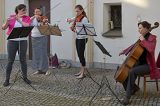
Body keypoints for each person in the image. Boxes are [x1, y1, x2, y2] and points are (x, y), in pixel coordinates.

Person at [119, 21, 160, 105]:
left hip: (148, 65)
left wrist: (143, 40)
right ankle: (133, 88)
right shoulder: (142, 37)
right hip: (140, 63)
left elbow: (151, 49)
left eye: (140, 28)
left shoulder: (152, 38)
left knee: (131, 71)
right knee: (123, 70)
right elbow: (133, 46)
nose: (139, 30)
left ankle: (127, 97)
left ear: (146, 28)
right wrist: (124, 51)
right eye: (138, 28)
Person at [1, 4, 31, 87]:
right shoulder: (11, 17)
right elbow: (3, 27)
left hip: (23, 41)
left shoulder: (27, 18)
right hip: (12, 41)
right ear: (18, 10)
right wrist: (7, 21)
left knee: (23, 60)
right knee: (10, 60)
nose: (24, 11)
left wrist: (19, 20)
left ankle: (25, 77)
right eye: (23, 10)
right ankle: (7, 79)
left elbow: (27, 26)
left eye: (25, 10)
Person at [67, 5, 88, 79]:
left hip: (82, 38)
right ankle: (82, 70)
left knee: (81, 55)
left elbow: (83, 31)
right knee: (79, 55)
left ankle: (83, 73)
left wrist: (74, 29)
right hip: (78, 38)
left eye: (78, 11)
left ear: (82, 11)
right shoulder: (77, 17)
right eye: (75, 11)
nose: (76, 13)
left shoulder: (84, 19)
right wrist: (69, 20)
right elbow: (70, 19)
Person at [30, 8, 49, 75]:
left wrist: (43, 22)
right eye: (36, 12)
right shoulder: (32, 19)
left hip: (42, 37)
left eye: (38, 11)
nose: (37, 12)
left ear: (41, 12)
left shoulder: (44, 18)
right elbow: (27, 22)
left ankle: (46, 69)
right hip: (34, 37)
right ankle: (39, 69)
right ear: (34, 13)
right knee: (36, 54)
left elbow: (45, 26)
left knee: (43, 53)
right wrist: (33, 17)